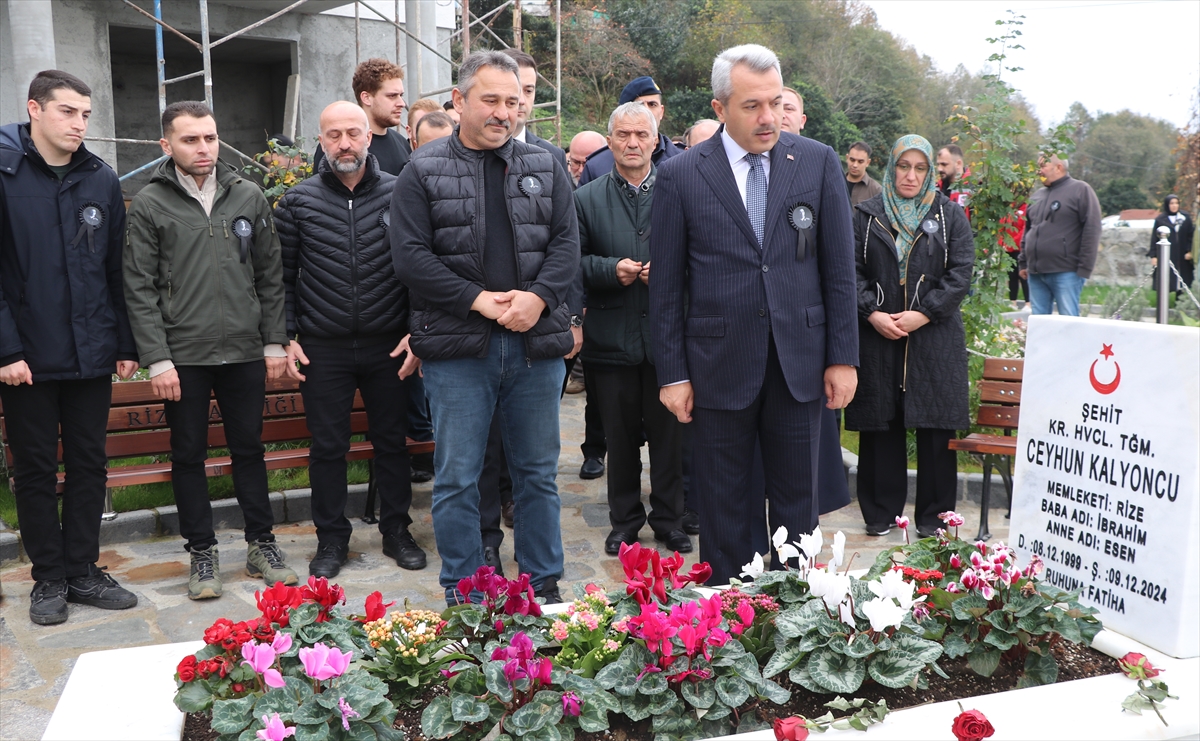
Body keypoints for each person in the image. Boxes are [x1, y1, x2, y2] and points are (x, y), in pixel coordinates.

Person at [650, 44, 859, 585]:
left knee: (797, 507)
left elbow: (838, 270)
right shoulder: (681, 175)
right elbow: (668, 286)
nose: (768, 118)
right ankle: (730, 624)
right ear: (720, 108)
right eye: (751, 106)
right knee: (725, 506)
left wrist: (843, 358)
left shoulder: (816, 161)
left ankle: (796, 617)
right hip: (718, 365)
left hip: (800, 364)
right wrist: (672, 373)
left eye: (774, 102)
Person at [391, 51, 579, 606]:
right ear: (459, 101)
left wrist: (539, 299)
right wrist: (481, 302)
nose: (505, 113)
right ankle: (464, 592)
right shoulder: (421, 172)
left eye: (514, 102)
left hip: (534, 347)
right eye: (491, 100)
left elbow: (567, 244)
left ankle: (545, 585)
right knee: (457, 479)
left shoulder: (544, 166)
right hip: (457, 353)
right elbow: (410, 259)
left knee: (538, 475)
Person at [124, 101, 297, 600]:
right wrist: (158, 358)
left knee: (250, 449)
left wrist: (272, 343)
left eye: (210, 138)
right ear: (167, 145)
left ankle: (262, 544)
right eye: (190, 140)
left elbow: (269, 275)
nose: (203, 148)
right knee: (188, 455)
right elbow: (140, 286)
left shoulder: (248, 195)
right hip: (184, 356)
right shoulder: (152, 203)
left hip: (244, 351)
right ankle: (201, 552)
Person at [0, 69, 140, 625]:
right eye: (67, 111)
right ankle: (48, 579)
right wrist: (6, 351)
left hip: (90, 354)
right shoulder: (4, 172)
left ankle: (82, 569)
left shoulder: (100, 178)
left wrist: (123, 342)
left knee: (89, 463)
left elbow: (114, 270)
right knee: (34, 470)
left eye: (85, 114)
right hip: (26, 361)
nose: (80, 123)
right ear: (35, 109)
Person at [274, 101, 423, 578]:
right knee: (328, 448)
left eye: (353, 134)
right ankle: (331, 540)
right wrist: (285, 337)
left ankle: (397, 531)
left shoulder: (403, 194)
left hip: (389, 344)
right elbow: (281, 277)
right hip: (324, 346)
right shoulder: (298, 202)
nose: (344, 143)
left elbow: (421, 271)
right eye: (333, 135)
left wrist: (415, 332)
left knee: (392, 444)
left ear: (368, 137)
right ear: (321, 142)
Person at [846, 135, 973, 538]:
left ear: (930, 174)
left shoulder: (950, 216)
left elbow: (960, 275)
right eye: (904, 166)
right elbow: (851, 273)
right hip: (879, 334)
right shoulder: (866, 215)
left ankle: (935, 518)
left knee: (935, 427)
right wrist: (873, 314)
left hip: (933, 337)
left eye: (920, 168)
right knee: (882, 425)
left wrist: (924, 313)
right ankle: (881, 512)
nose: (911, 175)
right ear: (892, 167)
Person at [577, 102, 689, 556]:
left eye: (641, 135)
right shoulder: (585, 198)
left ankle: (669, 519)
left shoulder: (680, 190)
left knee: (670, 439)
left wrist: (665, 270)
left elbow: (703, 258)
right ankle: (624, 521)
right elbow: (570, 263)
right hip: (611, 336)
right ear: (609, 141)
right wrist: (609, 269)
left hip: (666, 340)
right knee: (619, 441)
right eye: (623, 135)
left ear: (655, 140)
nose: (632, 143)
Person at [1018, 155, 1102, 317]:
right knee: (1040, 324)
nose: (1039, 171)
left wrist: (1084, 268)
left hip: (1066, 271)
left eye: (1043, 166)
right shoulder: (1037, 196)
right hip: (1035, 273)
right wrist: (1023, 262)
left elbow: (1092, 229)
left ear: (1059, 167)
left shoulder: (1081, 190)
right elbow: (1028, 230)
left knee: (1068, 322)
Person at [313, 58, 409, 176]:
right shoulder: (338, 148)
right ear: (366, 98)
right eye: (392, 96)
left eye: (401, 95)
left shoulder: (402, 143)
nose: (402, 103)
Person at [579, 76, 679, 186]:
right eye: (639, 105)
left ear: (661, 111)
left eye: (652, 104)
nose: (647, 110)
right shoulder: (597, 166)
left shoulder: (683, 162)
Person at [502, 49, 567, 170]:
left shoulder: (554, 157)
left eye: (528, 91)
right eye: (513, 89)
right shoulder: (469, 151)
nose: (521, 100)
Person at [1148, 193, 1195, 301]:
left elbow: (1190, 236)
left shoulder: (1185, 218)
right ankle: (1163, 304)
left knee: (1182, 280)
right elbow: (1155, 238)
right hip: (1167, 255)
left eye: (1176, 203)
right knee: (1166, 279)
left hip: (1182, 255)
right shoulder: (1161, 220)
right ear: (1167, 205)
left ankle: (1180, 304)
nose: (1174, 206)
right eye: (1172, 203)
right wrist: (1154, 256)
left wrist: (1189, 251)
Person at [845, 141, 881, 206]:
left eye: (860, 162)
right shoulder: (836, 184)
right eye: (852, 160)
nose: (855, 165)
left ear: (868, 162)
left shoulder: (876, 191)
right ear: (847, 158)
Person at [936, 144, 970, 209]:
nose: (939, 169)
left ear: (958, 164)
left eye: (944, 164)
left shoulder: (974, 189)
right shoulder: (935, 190)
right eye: (938, 164)